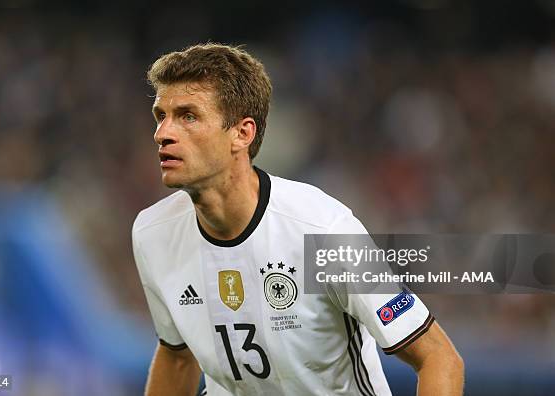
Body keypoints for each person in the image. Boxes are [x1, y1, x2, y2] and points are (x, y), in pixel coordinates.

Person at [132, 43, 464, 396]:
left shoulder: (324, 230)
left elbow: (439, 358)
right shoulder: (152, 233)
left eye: (188, 116)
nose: (162, 133)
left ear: (242, 134)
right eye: (161, 116)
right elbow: (177, 356)